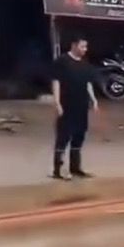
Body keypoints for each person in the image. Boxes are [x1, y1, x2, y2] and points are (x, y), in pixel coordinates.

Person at [51, 37, 99, 180]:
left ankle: (75, 167)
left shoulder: (85, 65)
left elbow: (88, 84)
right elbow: (56, 81)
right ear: (74, 45)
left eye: (86, 47)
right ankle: (57, 170)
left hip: (81, 106)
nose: (85, 49)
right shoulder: (62, 62)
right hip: (66, 106)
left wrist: (94, 99)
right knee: (63, 137)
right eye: (82, 46)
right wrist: (57, 102)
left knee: (79, 136)